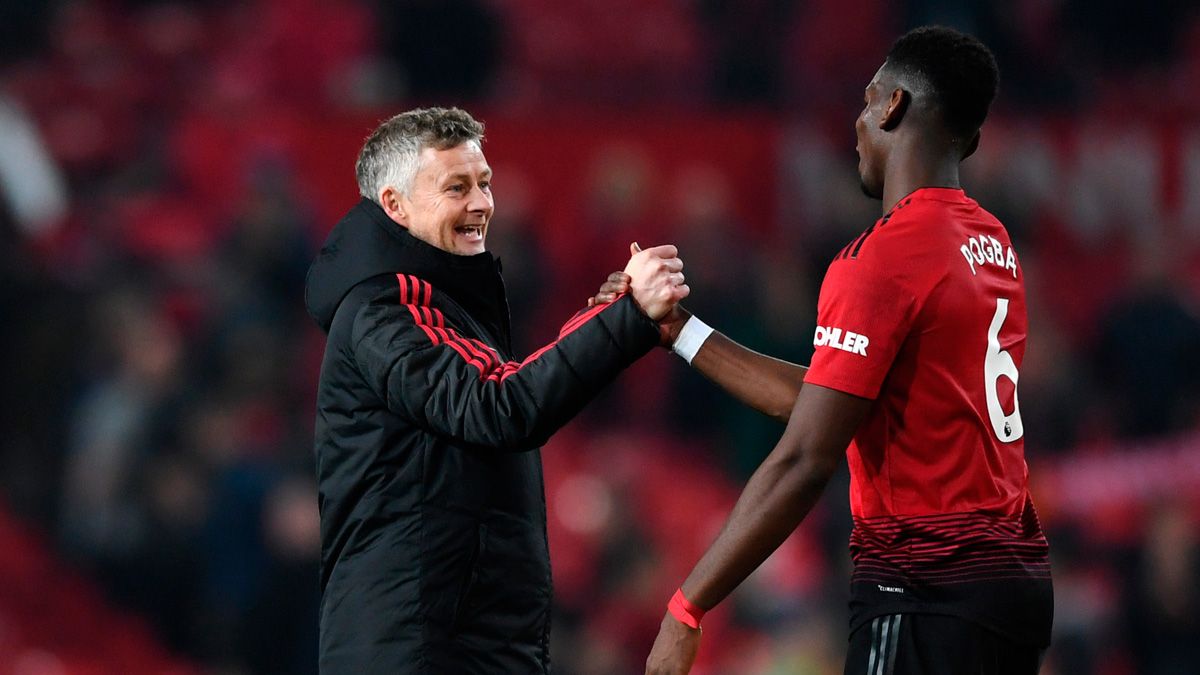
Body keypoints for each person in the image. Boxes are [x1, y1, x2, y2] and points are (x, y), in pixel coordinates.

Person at [597, 26, 1052, 675]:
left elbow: (806, 456)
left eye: (867, 103)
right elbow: (830, 401)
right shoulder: (992, 242)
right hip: (1013, 584)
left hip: (925, 587)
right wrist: (680, 331)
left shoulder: (881, 258)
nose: (858, 126)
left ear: (893, 105)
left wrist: (686, 605)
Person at [303, 107, 688, 673]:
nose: (481, 203)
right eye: (456, 187)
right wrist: (625, 318)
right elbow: (500, 407)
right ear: (394, 205)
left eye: (484, 183)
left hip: (455, 641)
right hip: (420, 650)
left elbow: (495, 394)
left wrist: (608, 320)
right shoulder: (387, 305)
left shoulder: (442, 302)